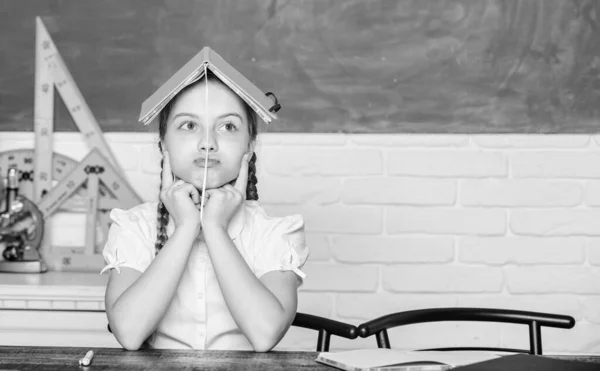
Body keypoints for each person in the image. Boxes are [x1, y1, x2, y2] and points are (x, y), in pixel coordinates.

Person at [100, 55, 309, 352]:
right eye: (188, 126)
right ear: (163, 144)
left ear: (250, 146)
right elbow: (129, 333)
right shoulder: (133, 226)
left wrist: (214, 228)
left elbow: (265, 335)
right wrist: (186, 227)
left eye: (228, 127)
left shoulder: (275, 233)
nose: (207, 143)